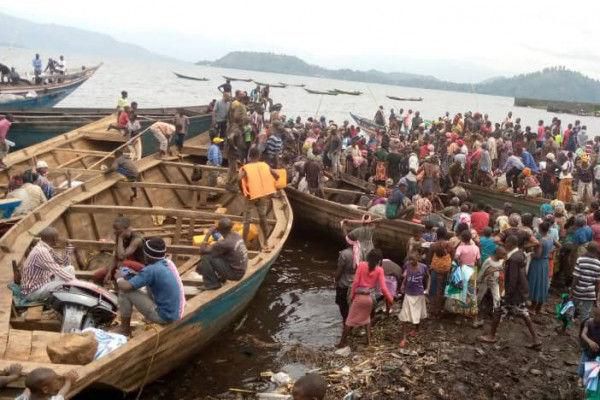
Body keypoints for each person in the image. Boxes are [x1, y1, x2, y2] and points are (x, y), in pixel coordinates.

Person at [479, 235, 541, 348]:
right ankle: (536, 339)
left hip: (514, 292)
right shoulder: (520, 254)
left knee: (499, 310)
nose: (505, 244)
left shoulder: (513, 259)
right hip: (520, 290)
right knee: (523, 313)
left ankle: (491, 336)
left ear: (511, 244)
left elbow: (513, 279)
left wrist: (507, 295)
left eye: (506, 242)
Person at [115, 237, 185, 336]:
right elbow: (147, 276)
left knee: (124, 292)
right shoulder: (166, 264)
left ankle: (125, 330)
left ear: (147, 255)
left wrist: (119, 278)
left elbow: (125, 287)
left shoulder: (151, 270)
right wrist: (135, 275)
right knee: (147, 285)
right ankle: (147, 318)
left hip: (164, 317)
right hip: (174, 312)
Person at [337, 249, 393, 348]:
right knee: (367, 319)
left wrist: (352, 296)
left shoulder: (362, 265)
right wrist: (390, 299)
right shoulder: (379, 270)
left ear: (368, 257)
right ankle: (368, 342)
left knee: (349, 321)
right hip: (369, 298)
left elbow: (355, 283)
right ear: (379, 260)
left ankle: (342, 342)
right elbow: (383, 288)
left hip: (359, 297)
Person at [239, 147, 279, 251]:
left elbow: (238, 179)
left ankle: (244, 243)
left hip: (251, 196)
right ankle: (266, 242)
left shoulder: (246, 167)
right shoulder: (265, 165)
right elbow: (277, 175)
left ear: (249, 156)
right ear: (259, 156)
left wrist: (243, 191)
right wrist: (271, 186)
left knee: (246, 220)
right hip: (262, 195)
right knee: (263, 218)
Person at [20, 227, 75, 302]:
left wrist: (67, 249)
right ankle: (67, 300)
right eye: (57, 237)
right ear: (54, 239)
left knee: (70, 268)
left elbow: (62, 263)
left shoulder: (45, 247)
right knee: (67, 283)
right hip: (32, 292)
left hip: (45, 282)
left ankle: (67, 296)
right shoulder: (41, 251)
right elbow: (57, 270)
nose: (58, 239)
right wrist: (76, 282)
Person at [197, 218, 249, 290]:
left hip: (235, 274)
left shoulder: (225, 243)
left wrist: (208, 234)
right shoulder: (236, 235)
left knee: (206, 256)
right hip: (241, 269)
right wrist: (215, 233)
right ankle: (222, 278)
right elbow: (222, 241)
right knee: (220, 253)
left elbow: (202, 250)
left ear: (220, 230)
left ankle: (212, 284)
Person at [93, 217, 145, 285]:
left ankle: (125, 284)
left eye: (117, 230)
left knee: (121, 264)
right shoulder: (119, 236)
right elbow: (116, 256)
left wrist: (120, 238)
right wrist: (109, 272)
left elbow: (121, 256)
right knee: (98, 275)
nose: (115, 232)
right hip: (126, 266)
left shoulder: (137, 240)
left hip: (141, 268)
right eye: (114, 229)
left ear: (126, 229)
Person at [398, 252, 430, 347]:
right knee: (404, 316)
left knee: (418, 314)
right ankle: (404, 338)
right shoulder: (407, 265)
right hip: (408, 294)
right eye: (410, 260)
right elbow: (407, 276)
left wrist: (427, 288)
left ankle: (416, 329)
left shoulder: (423, 267)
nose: (411, 262)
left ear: (418, 259)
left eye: (413, 260)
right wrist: (403, 284)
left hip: (419, 294)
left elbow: (428, 277)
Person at [527, 222, 556, 314]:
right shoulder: (551, 238)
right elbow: (559, 245)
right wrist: (550, 252)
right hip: (545, 262)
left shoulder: (541, 241)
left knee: (535, 283)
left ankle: (532, 307)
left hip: (538, 263)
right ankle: (539, 307)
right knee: (543, 284)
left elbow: (538, 255)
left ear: (540, 229)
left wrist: (531, 253)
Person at [572, 242, 600, 322]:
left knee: (571, 309)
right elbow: (597, 283)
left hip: (578, 290)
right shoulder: (598, 263)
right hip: (590, 293)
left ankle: (565, 329)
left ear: (587, 249)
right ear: (596, 251)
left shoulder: (580, 260)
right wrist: (596, 296)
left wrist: (571, 291)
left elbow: (576, 278)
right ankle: (582, 332)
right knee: (585, 315)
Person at [477, 246, 506, 311]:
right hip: (485, 281)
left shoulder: (502, 261)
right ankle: (474, 309)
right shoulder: (488, 261)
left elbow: (502, 271)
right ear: (497, 253)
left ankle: (496, 312)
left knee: (497, 298)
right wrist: (478, 281)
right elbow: (482, 270)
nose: (504, 256)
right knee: (479, 296)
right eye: (502, 254)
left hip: (495, 282)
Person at [335, 246, 354, 322]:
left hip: (343, 284)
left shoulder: (344, 254)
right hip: (354, 284)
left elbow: (339, 270)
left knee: (343, 306)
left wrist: (335, 280)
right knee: (351, 305)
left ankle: (346, 323)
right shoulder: (360, 252)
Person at [579, 307, 600, 378]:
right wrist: (590, 342)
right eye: (596, 316)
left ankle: (588, 380)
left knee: (592, 368)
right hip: (587, 349)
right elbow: (583, 334)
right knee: (582, 366)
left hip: (597, 353)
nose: (597, 318)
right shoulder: (589, 322)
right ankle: (581, 378)